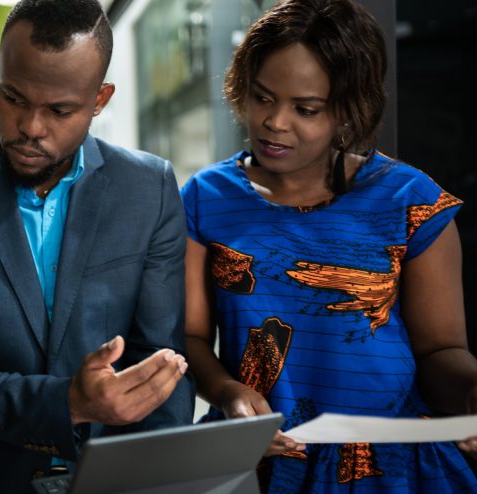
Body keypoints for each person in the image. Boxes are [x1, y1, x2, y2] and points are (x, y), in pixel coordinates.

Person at [0, 0, 194, 492]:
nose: (31, 127)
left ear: (100, 100)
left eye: (59, 110)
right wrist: (68, 405)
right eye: (13, 97)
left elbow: (162, 360)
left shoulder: (150, 186)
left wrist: (157, 475)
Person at [181, 0, 477, 491]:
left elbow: (442, 349)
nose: (275, 122)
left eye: (306, 109)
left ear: (346, 110)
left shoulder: (412, 202)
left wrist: (472, 392)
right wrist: (227, 391)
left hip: (392, 470)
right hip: (262, 460)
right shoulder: (205, 198)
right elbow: (190, 338)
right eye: (262, 97)